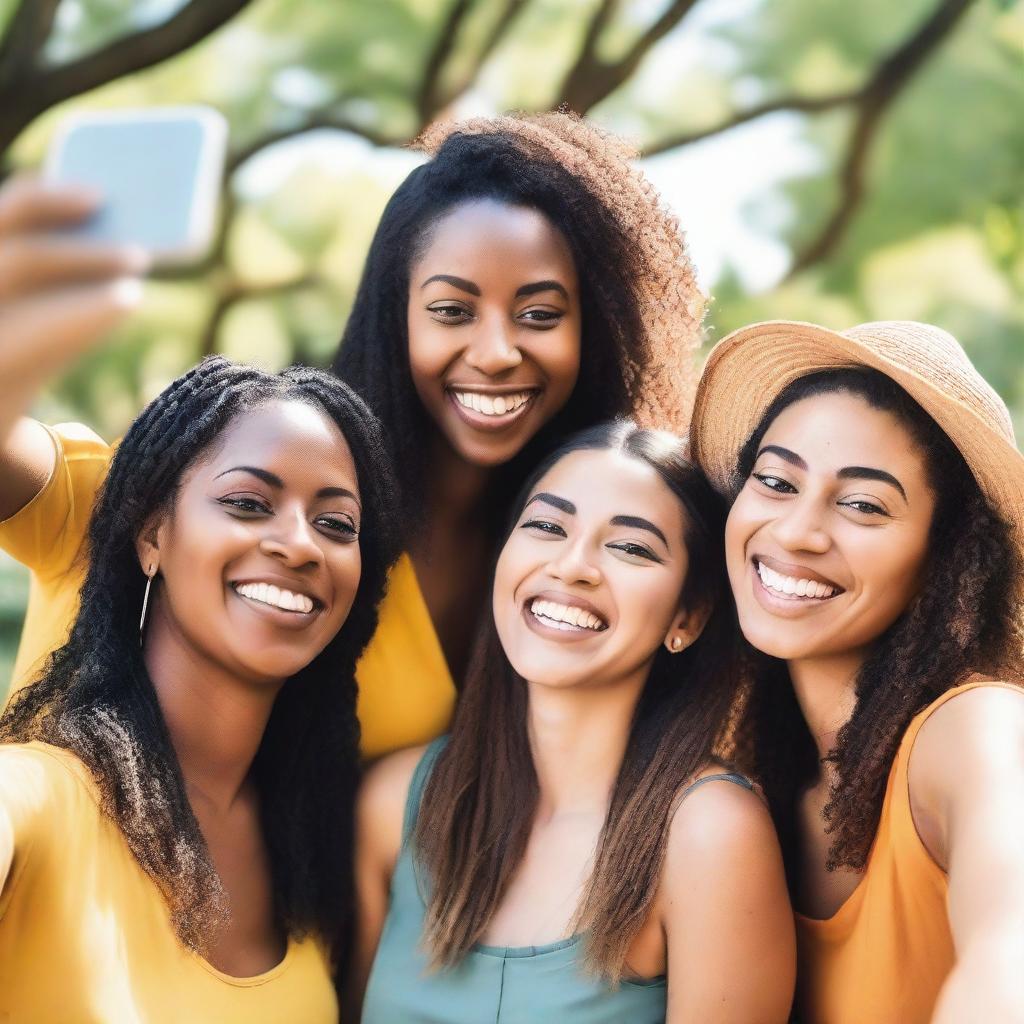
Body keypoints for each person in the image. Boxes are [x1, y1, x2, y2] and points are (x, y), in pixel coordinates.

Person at [0, 111, 704, 758]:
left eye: (541, 315)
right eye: (453, 310)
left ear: (599, 331)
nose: (496, 352)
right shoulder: (183, 496)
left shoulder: (561, 563)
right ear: (395, 316)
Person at [350, 422, 795, 1023]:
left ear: (687, 615)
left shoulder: (709, 834)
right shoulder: (396, 804)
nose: (573, 565)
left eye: (632, 547)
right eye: (546, 526)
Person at [0, 351, 399, 1022]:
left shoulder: (313, 845)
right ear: (153, 534)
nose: (301, 545)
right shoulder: (42, 796)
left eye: (336, 524)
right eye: (248, 503)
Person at [689, 320, 1024, 1023]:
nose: (797, 532)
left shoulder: (975, 730)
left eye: (863, 505)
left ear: (947, 555)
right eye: (776, 481)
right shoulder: (743, 767)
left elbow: (1009, 954)